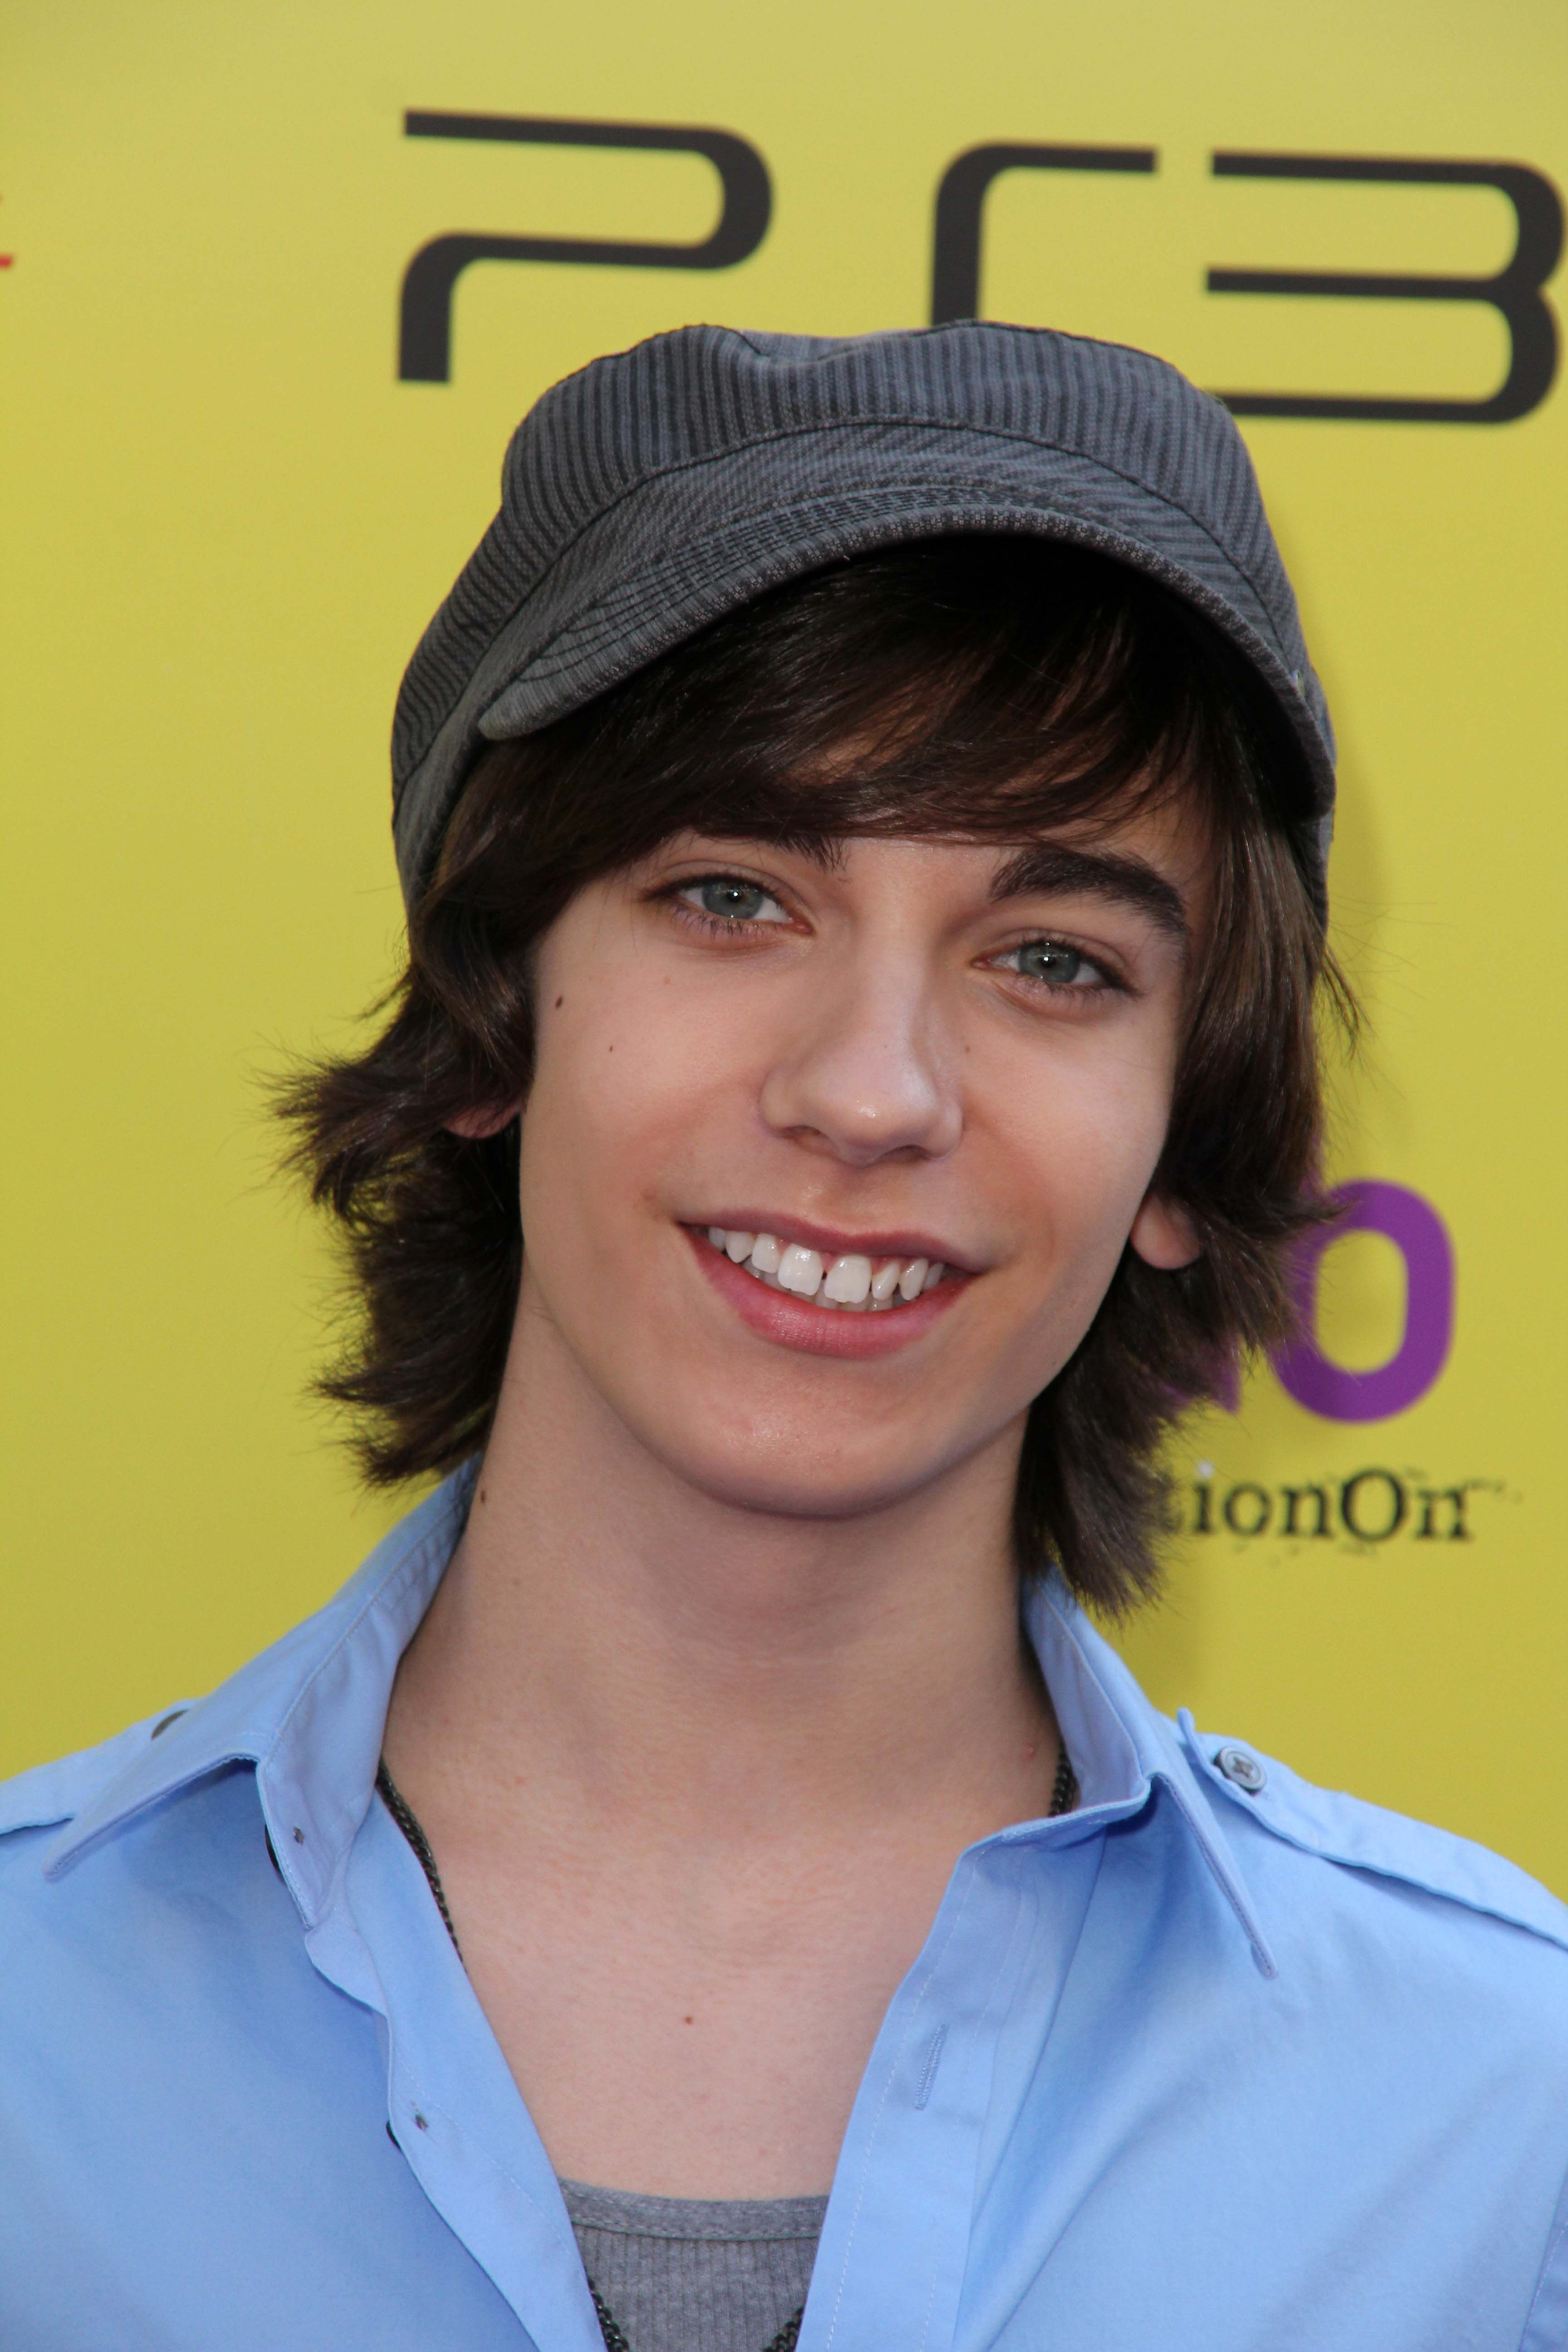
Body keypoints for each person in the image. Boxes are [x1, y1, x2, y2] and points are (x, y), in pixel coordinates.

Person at [1, 323, 1564, 2352]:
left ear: (1187, 1140)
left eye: (1052, 957)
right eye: (734, 898)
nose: (872, 1090)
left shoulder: (1498, 2115)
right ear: (491, 1013)